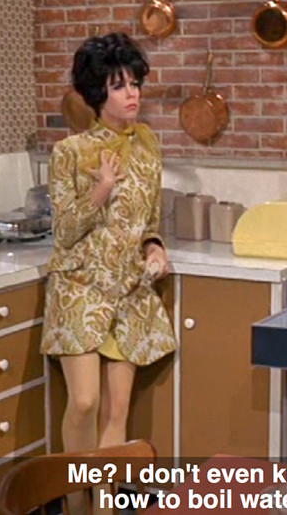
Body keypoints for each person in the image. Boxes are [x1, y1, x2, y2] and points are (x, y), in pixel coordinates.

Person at [40, 32, 176, 468]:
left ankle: (104, 498)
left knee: (117, 411)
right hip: (80, 288)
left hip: (129, 291)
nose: (132, 93)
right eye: (119, 86)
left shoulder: (146, 149)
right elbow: (64, 232)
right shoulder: (69, 152)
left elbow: (148, 223)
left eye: (134, 83)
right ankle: (74, 496)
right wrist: (100, 189)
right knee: (84, 402)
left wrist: (155, 250)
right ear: (98, 93)